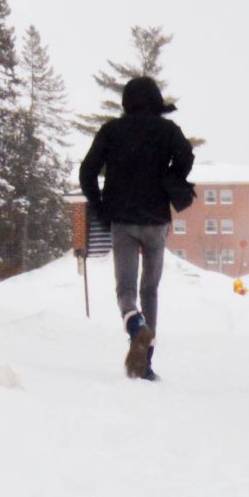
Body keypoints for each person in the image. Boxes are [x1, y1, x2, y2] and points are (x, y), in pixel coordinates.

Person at [79, 75, 195, 381]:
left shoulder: (111, 131)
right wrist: (171, 177)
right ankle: (145, 363)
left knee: (126, 290)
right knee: (150, 290)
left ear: (127, 102)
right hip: (156, 220)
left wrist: (100, 207)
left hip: (122, 220)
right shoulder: (168, 130)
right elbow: (186, 155)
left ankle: (134, 324)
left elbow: (86, 172)